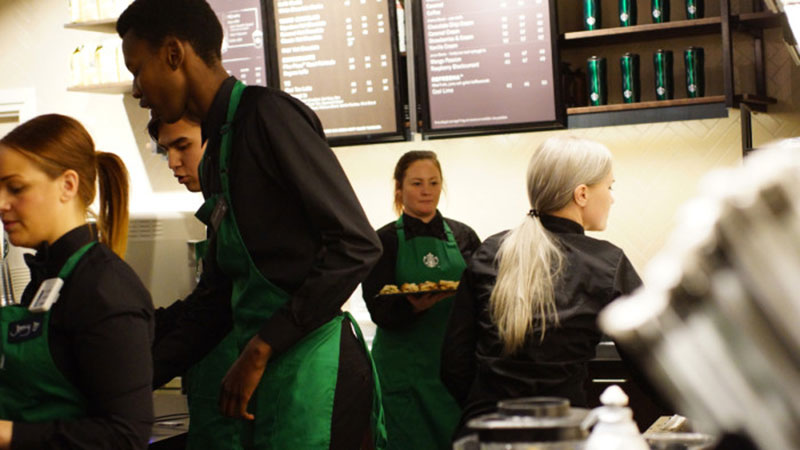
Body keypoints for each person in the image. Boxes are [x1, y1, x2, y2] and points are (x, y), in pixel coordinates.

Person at [117, 1, 385, 448]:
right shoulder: (220, 150)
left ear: (173, 54)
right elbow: (217, 299)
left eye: (137, 70)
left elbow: (357, 245)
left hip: (318, 372)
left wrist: (261, 347)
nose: (137, 90)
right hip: (272, 375)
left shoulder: (267, 115)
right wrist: (129, 382)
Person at [440, 136, 642, 438]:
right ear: (582, 194)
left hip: (483, 433)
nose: (612, 198)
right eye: (609, 187)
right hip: (562, 435)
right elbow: (654, 362)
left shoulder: (490, 251)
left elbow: (453, 364)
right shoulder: (607, 263)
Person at [0, 114, 154, 449]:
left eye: (16, 188)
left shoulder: (103, 288)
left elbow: (125, 435)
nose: (1, 203)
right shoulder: (44, 279)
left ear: (67, 185)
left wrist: (7, 434)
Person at [362, 150, 480, 449]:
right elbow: (378, 307)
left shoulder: (464, 236)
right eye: (416, 183)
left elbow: (482, 298)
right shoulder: (383, 241)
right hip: (403, 374)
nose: (426, 190)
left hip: (453, 373)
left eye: (433, 182)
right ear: (399, 190)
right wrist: (411, 306)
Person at [147, 115, 242, 450]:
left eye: (182, 146)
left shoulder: (247, 211)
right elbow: (204, 303)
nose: (172, 162)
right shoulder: (219, 210)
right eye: (164, 150)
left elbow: (212, 310)